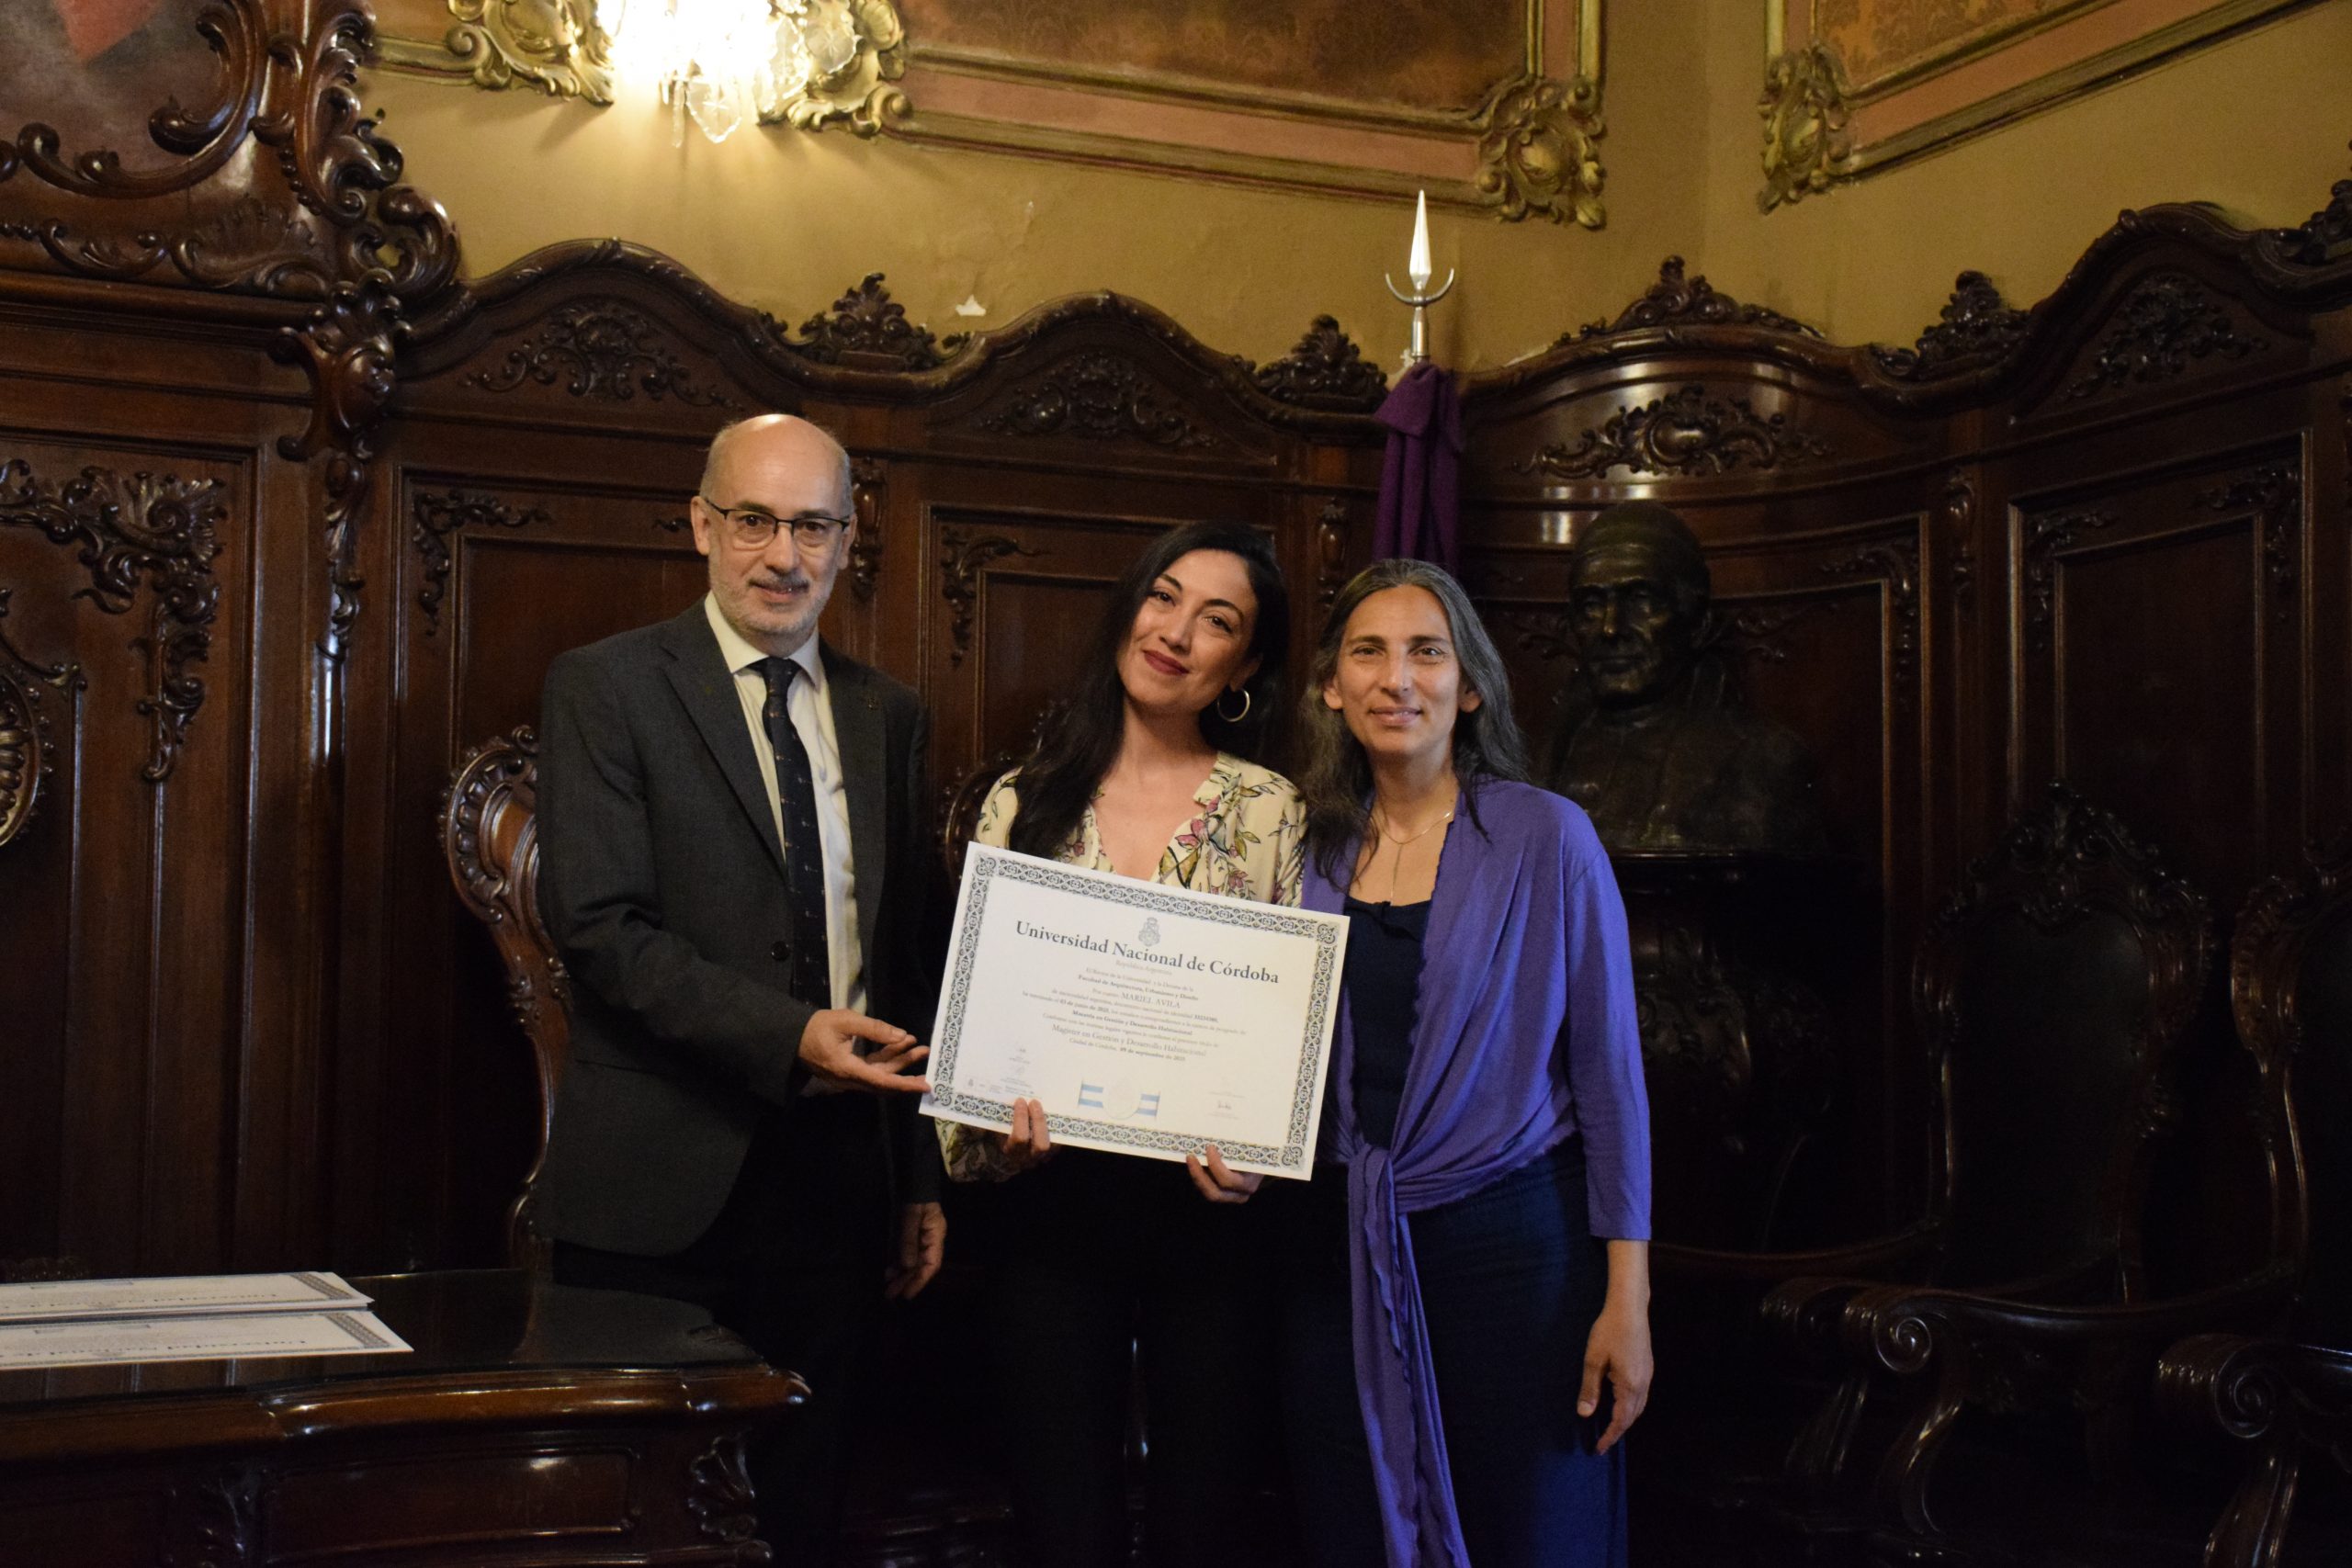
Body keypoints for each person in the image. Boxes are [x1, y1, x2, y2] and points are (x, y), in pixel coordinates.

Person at [535, 413, 944, 1565]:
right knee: (642, 1529)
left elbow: (909, 963)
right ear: (702, 526)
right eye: (754, 521)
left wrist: (919, 1178)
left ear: (849, 539)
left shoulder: (888, 714)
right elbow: (602, 930)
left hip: (840, 1184)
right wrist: (793, 1035)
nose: (783, 556)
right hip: (658, 1186)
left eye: (812, 526)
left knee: (804, 1514)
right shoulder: (607, 686)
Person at [1277, 557, 1655, 1568]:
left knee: (1533, 1532)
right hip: (1339, 1247)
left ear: (1471, 685)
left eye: (1426, 652)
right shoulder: (1304, 852)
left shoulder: (1548, 835)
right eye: (1368, 652)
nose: (1396, 678)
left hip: (1517, 1252)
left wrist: (1628, 1299)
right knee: (1353, 1526)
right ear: (1331, 686)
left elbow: (1611, 1081)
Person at [940, 520, 1304, 1567]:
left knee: (1205, 1524)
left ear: (1246, 666)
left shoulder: (1271, 812)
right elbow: (978, 1026)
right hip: (1051, 1208)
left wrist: (1263, 1153)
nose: (1177, 633)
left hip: (1211, 1221)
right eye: (1164, 596)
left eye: (1217, 620)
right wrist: (991, 1129)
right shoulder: (1023, 800)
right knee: (1062, 1524)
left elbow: (1290, 1034)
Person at [1541, 500, 1826, 852]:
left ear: (1698, 623)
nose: (1611, 628)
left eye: (1641, 600)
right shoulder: (1530, 758)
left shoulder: (1765, 763)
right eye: (1591, 605)